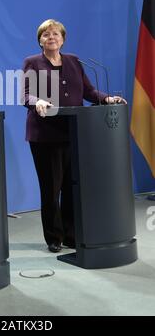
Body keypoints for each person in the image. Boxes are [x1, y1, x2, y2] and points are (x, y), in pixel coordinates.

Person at [22, 19, 126, 253]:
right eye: (46, 34)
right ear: (40, 40)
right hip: (45, 136)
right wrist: (37, 101)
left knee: (72, 187)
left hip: (74, 133)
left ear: (63, 38)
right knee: (51, 189)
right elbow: (26, 95)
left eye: (56, 34)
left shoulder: (74, 61)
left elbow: (88, 91)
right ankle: (54, 237)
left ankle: (71, 234)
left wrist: (107, 98)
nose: (51, 37)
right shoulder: (33, 63)